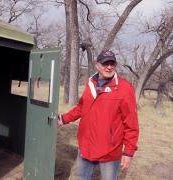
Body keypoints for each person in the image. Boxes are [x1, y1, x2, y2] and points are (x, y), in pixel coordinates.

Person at [57, 50, 139, 180]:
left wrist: (128, 152)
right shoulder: (90, 84)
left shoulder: (125, 88)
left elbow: (131, 123)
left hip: (110, 150)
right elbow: (81, 107)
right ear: (97, 66)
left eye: (112, 63)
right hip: (86, 146)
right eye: (105, 63)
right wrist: (64, 118)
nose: (109, 67)